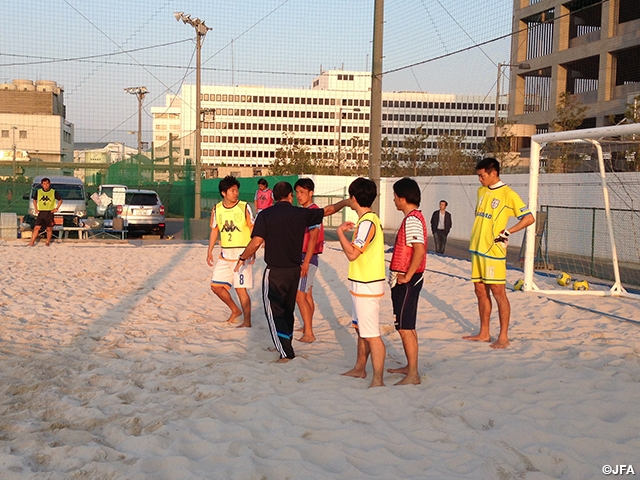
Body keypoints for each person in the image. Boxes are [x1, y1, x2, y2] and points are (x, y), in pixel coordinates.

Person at [236, 182, 348, 362]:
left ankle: (285, 352)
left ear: (274, 197)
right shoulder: (300, 213)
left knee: (274, 312)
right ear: (290, 196)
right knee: (288, 310)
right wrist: (346, 202)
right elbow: (327, 211)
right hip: (294, 270)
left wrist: (242, 257)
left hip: (275, 271)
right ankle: (285, 345)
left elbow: (256, 242)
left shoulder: (265, 215)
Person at [464, 158, 535, 349]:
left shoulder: (508, 193)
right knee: (479, 291)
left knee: (498, 292)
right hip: (477, 248)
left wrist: (508, 231)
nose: (480, 179)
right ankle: (484, 332)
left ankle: (503, 336)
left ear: (493, 173)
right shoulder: (481, 191)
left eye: (482, 175)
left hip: (493, 251)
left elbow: (529, 218)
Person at [336, 178, 386, 388]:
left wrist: (340, 233)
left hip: (368, 283)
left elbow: (352, 254)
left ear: (353, 198)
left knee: (371, 334)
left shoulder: (367, 222)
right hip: (361, 282)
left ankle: (378, 379)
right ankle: (360, 368)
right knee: (361, 329)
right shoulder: (368, 220)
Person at [387, 178, 427, 385]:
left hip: (407, 281)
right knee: (406, 325)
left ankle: (413, 373)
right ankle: (410, 366)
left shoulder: (412, 219)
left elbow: (419, 249)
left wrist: (408, 276)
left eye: (395, 196)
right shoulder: (412, 218)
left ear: (403, 197)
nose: (393, 200)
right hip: (405, 279)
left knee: (405, 326)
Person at [207, 176, 254, 328]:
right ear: (223, 193)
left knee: (241, 290)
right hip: (225, 255)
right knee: (216, 286)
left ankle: (247, 322)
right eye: (232, 190)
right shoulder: (217, 209)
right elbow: (215, 230)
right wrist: (209, 251)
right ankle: (235, 310)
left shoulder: (244, 206)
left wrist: (252, 251)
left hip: (242, 255)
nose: (236, 193)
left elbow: (252, 228)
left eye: (237, 190)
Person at [294, 178, 324, 343]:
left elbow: (313, 238)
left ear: (311, 193)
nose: (299, 195)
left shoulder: (313, 211)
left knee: (300, 296)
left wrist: (305, 262)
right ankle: (307, 326)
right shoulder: (304, 210)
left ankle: (309, 333)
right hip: (304, 256)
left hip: (308, 257)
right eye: (297, 192)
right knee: (308, 294)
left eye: (302, 192)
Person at [28, 177, 62, 247]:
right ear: (42, 184)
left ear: (49, 184)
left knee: (49, 228)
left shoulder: (53, 192)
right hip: (41, 212)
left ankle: (47, 242)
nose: (46, 185)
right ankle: (32, 242)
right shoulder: (38, 191)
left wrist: (56, 208)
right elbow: (34, 200)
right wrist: (36, 208)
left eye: (47, 184)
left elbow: (60, 200)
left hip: (49, 212)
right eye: (44, 184)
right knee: (37, 227)